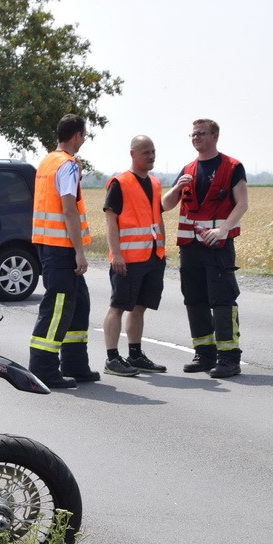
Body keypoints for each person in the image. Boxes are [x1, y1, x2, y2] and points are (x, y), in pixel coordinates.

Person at [162, 119, 249, 378]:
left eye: (201, 133)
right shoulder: (188, 169)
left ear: (215, 136)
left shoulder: (232, 167)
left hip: (218, 247)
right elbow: (166, 205)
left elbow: (242, 204)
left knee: (222, 301)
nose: (195, 138)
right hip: (190, 248)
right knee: (194, 300)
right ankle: (205, 354)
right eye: (193, 134)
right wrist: (176, 187)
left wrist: (222, 230)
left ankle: (229, 358)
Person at [28, 114, 98, 389]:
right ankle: (43, 368)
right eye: (84, 136)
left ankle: (75, 365)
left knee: (78, 303)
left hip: (50, 244)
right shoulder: (67, 165)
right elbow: (68, 209)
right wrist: (79, 252)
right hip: (61, 247)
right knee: (57, 307)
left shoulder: (47, 161)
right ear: (77, 136)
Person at [101, 135, 168, 376]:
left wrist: (162, 249)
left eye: (153, 151)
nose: (151, 156)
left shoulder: (156, 183)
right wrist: (116, 253)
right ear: (133, 154)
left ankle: (135, 355)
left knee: (139, 307)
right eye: (146, 152)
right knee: (118, 306)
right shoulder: (119, 183)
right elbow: (111, 219)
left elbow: (157, 217)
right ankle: (111, 358)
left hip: (152, 256)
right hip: (127, 259)